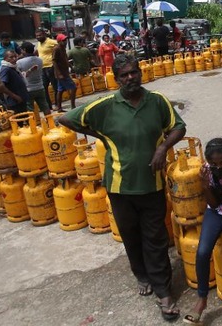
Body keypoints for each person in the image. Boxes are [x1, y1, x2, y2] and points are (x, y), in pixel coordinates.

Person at [59, 54, 185, 322]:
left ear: (140, 73)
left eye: (134, 72)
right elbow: (66, 118)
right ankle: (141, 274)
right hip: (119, 186)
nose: (130, 78)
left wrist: (163, 147)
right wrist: (100, 133)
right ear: (116, 79)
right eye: (124, 75)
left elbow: (179, 127)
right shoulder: (105, 106)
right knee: (131, 235)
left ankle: (164, 292)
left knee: (156, 238)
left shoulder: (157, 101)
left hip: (152, 185)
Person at [183, 138, 222, 326]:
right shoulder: (206, 171)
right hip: (215, 211)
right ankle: (202, 299)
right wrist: (205, 185)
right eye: (214, 163)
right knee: (202, 252)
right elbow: (214, 204)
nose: (218, 167)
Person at [16, 42, 50, 116]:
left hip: (28, 89)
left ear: (24, 50)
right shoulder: (39, 60)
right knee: (45, 106)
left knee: (30, 109)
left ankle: (32, 125)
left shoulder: (20, 62)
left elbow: (19, 75)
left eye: (21, 50)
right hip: (40, 87)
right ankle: (50, 122)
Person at [35, 28, 59, 110]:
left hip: (51, 67)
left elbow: (59, 47)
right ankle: (48, 106)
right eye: (37, 36)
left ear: (44, 35)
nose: (38, 37)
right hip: (42, 68)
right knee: (44, 88)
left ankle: (57, 104)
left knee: (55, 87)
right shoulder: (39, 43)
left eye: (40, 35)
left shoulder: (51, 42)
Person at [53, 34, 76, 112]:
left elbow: (65, 59)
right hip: (62, 73)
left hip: (65, 72)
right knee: (73, 87)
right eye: (63, 41)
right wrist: (59, 73)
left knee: (60, 90)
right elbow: (54, 61)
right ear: (59, 41)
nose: (65, 42)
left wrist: (71, 66)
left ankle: (59, 108)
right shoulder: (56, 49)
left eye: (65, 40)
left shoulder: (63, 48)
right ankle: (73, 106)